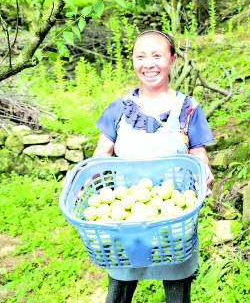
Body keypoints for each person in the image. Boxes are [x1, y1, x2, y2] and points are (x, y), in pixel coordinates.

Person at [93, 30, 214, 303]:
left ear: (172, 59)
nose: (149, 63)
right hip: (125, 216)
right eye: (141, 56)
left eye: (157, 55)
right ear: (133, 62)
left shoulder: (188, 108)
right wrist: (88, 180)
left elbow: (198, 152)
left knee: (176, 285)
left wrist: (204, 170)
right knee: (120, 284)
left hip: (175, 216)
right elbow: (102, 152)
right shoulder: (119, 108)